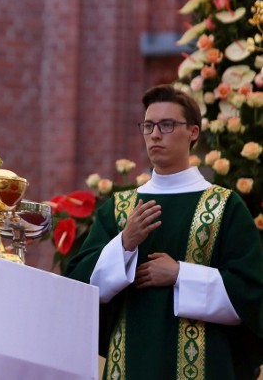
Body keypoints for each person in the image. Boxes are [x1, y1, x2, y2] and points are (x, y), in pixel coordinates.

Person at [65, 85, 263, 379]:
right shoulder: (120, 208)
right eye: (148, 125)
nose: (155, 134)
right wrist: (124, 244)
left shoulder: (223, 206)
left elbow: (252, 292)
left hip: (205, 363)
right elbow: (78, 286)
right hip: (130, 360)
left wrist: (180, 274)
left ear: (193, 132)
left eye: (167, 125)